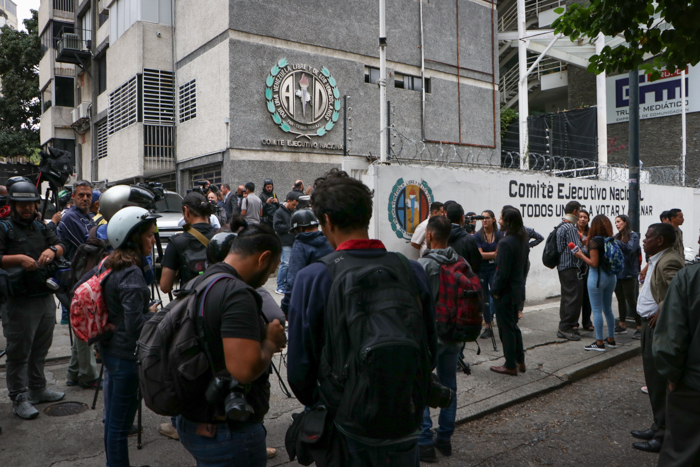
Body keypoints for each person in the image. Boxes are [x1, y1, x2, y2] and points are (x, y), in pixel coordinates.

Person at [287, 169, 436, 467]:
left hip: (345, 428)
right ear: (366, 215)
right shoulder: (411, 270)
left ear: (326, 220)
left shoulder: (313, 278)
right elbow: (428, 349)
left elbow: (300, 372)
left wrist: (332, 400)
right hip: (404, 418)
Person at [175, 223, 286, 467]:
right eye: (271, 270)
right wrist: (270, 342)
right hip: (228, 431)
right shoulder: (237, 294)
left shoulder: (199, 282)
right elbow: (243, 371)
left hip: (195, 420)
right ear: (263, 258)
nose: (267, 278)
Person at [73, 206, 160, 467]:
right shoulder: (132, 273)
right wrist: (152, 314)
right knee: (119, 427)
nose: (153, 240)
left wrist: (109, 321)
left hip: (110, 351)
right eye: (149, 235)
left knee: (113, 423)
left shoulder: (108, 261)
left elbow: (77, 287)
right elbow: (135, 326)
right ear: (133, 238)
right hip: (125, 358)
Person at [0, 181, 66, 420]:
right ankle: (19, 397)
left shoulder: (40, 226)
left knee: (40, 347)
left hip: (43, 295)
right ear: (13, 205)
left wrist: (53, 250)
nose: (27, 208)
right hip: (18, 301)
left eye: (30, 203)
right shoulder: (4, 228)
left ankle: (37, 389)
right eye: (21, 204)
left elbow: (61, 244)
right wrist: (18, 258)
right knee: (19, 352)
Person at [630, 223, 684, 454]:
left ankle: (663, 435)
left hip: (657, 327)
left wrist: (660, 311)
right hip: (648, 325)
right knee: (652, 380)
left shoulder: (669, 261)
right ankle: (657, 426)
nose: (644, 241)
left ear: (659, 240)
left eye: (648, 237)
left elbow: (677, 292)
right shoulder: (657, 259)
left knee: (660, 382)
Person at [417, 215, 462, 462]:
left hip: (429, 337)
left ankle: (424, 441)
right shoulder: (461, 261)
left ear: (429, 235)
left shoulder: (423, 265)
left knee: (421, 384)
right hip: (454, 335)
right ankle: (444, 439)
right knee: (449, 384)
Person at [652, 259, 700, 466]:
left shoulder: (689, 277)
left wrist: (672, 376)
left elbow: (672, 338)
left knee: (682, 453)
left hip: (692, 387)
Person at [57, 181, 101, 387]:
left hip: (85, 277)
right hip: (76, 279)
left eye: (88, 195)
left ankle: (73, 373)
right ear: (73, 197)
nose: (85, 198)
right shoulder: (71, 218)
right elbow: (92, 244)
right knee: (85, 325)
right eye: (81, 195)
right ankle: (88, 376)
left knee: (83, 323)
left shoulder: (87, 217)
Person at [489, 206, 529, 376]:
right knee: (513, 326)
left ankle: (510, 364)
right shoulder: (522, 239)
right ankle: (520, 360)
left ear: (508, 221)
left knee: (506, 329)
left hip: (505, 292)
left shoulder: (506, 243)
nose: (499, 221)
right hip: (517, 289)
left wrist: (494, 291)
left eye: (501, 218)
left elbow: (502, 272)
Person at [573, 215, 617, 351]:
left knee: (597, 310)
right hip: (611, 277)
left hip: (597, 277)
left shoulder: (594, 242)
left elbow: (594, 263)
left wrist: (581, 255)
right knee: (608, 309)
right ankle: (611, 339)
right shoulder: (611, 240)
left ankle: (599, 342)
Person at [161, 192, 218, 294]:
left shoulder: (177, 242)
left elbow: (165, 287)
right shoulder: (221, 237)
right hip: (219, 297)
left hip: (190, 300)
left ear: (186, 211)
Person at [280, 209, 334, 315]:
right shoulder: (329, 241)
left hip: (310, 303)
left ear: (300, 228)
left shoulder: (300, 245)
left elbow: (293, 281)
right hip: (332, 299)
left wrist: (286, 306)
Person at [555, 201, 585, 341]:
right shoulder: (570, 228)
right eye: (579, 211)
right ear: (574, 212)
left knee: (567, 297)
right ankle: (565, 327)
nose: (580, 214)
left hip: (563, 266)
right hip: (570, 267)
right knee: (572, 298)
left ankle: (567, 325)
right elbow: (577, 250)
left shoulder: (561, 225)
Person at [474, 210, 503, 339]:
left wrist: (489, 255)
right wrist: (493, 254)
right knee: (485, 298)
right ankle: (488, 326)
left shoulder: (499, 234)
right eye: (482, 218)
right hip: (483, 269)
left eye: (487, 218)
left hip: (495, 268)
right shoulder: (478, 235)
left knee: (495, 295)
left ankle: (499, 322)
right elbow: (480, 255)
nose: (484, 220)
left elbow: (499, 253)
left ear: (493, 219)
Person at [613, 215, 642, 339]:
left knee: (632, 301)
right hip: (618, 272)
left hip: (629, 272)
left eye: (619, 222)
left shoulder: (633, 236)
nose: (617, 224)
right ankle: (622, 324)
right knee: (620, 299)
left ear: (625, 222)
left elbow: (629, 249)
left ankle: (640, 326)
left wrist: (615, 242)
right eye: (615, 222)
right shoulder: (616, 236)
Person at [272, 191, 299, 295]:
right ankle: (280, 286)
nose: (294, 207)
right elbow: (276, 227)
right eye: (293, 205)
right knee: (285, 263)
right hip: (285, 241)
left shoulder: (294, 211)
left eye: (296, 205)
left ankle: (287, 284)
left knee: (291, 264)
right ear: (288, 201)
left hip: (293, 240)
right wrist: (291, 228)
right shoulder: (279, 212)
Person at [446, 203, 482, 274]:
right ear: (463, 218)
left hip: (446, 277)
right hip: (465, 277)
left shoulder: (441, 236)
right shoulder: (469, 239)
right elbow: (477, 263)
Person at [577, 209, 593, 332]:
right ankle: (574, 322)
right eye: (580, 216)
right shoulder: (573, 231)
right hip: (576, 267)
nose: (582, 219)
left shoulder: (591, 233)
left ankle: (587, 322)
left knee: (588, 296)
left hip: (588, 266)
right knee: (577, 296)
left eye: (585, 217)